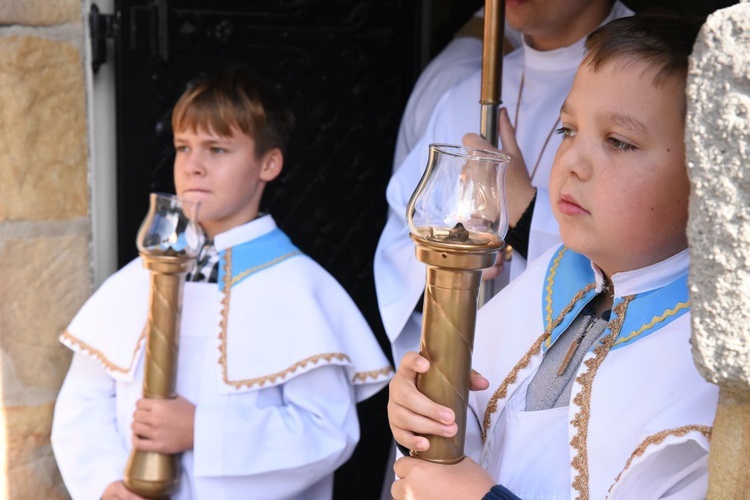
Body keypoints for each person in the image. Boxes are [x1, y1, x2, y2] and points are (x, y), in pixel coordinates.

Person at [386, 14, 719, 499]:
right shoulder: (554, 275)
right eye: (567, 131)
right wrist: (420, 414)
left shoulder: (707, 367)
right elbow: (475, 439)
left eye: (619, 142)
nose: (572, 164)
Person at [50, 70, 393, 500]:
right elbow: (83, 403)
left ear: (268, 164)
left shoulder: (298, 289)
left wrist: (201, 431)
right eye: (183, 148)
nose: (193, 165)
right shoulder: (134, 281)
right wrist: (106, 484)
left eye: (216, 149)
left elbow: (327, 432)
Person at [375, 0, 635, 370]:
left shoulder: (655, 79)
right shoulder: (466, 94)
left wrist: (527, 211)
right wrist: (455, 266)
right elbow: (401, 241)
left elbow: (658, 253)